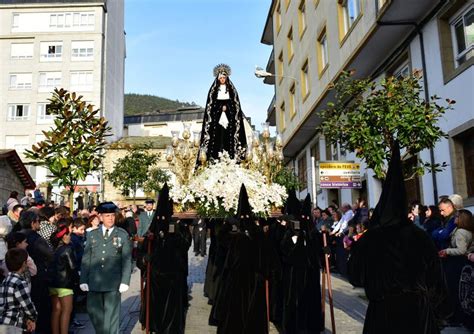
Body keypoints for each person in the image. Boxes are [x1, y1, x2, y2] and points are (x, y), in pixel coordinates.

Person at [348, 142, 450, 333]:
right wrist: (438, 313)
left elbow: (355, 276)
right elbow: (437, 280)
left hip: (382, 314)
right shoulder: (420, 236)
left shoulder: (371, 238)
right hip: (417, 314)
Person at [140, 184, 191, 334]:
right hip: (156, 275)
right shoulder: (153, 227)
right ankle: (154, 326)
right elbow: (143, 251)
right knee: (156, 306)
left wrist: (175, 235)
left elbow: (185, 245)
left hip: (173, 274)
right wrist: (144, 259)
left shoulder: (178, 225)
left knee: (172, 308)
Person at [79, 201, 132, 334]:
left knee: (112, 316)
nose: (110, 218)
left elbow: (126, 260)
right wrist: (83, 279)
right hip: (95, 281)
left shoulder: (122, 234)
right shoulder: (92, 234)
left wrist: (125, 281)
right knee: (93, 311)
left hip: (113, 282)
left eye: (112, 215)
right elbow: (86, 259)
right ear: (100, 217)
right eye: (107, 216)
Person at [197, 64, 247, 165]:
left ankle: (232, 157)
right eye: (221, 78)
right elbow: (210, 108)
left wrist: (227, 108)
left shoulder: (232, 91)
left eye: (224, 78)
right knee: (216, 138)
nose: (223, 79)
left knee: (229, 139)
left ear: (227, 78)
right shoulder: (213, 91)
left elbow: (236, 107)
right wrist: (220, 108)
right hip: (216, 123)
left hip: (230, 123)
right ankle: (214, 158)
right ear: (218, 78)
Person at [48, 224, 79, 334]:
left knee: (56, 311)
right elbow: (73, 267)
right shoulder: (67, 249)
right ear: (64, 236)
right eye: (68, 234)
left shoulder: (53, 250)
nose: (70, 236)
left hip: (53, 284)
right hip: (65, 284)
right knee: (66, 311)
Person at [0, 248, 37, 334]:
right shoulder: (19, 282)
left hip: (3, 321)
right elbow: (28, 305)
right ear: (24, 263)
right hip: (13, 324)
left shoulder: (5, 280)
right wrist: (32, 318)